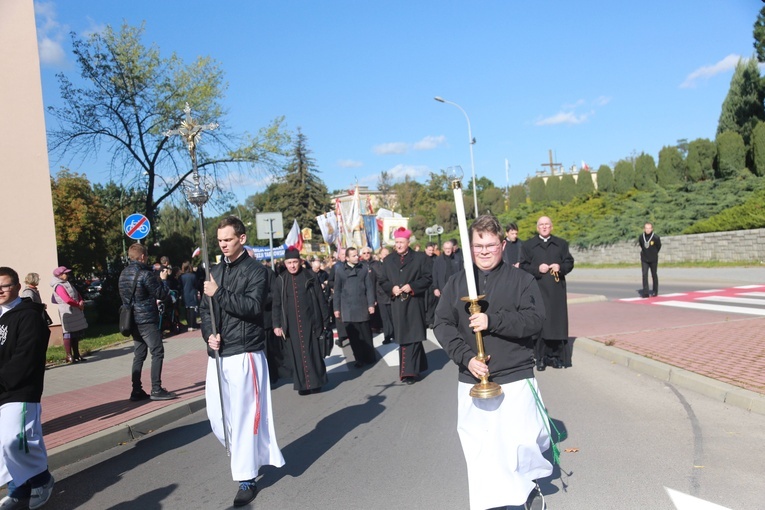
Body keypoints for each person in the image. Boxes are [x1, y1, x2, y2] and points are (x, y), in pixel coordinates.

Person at [433, 216, 551, 510]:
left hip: (515, 373)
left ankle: (526, 489)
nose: (484, 251)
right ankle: (491, 502)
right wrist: (466, 358)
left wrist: (492, 321)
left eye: (490, 245)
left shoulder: (522, 280)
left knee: (522, 441)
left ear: (502, 244)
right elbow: (442, 324)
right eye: (477, 246)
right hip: (473, 378)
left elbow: (535, 320)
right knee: (482, 448)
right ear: (469, 247)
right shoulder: (456, 282)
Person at [200, 216, 284, 506]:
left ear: (242, 239)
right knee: (218, 417)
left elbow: (251, 307)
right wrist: (209, 335)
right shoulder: (214, 271)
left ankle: (246, 477)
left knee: (245, 417)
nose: (223, 244)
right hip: (219, 354)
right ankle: (244, 457)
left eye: (228, 239)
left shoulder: (257, 272)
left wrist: (219, 293)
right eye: (220, 240)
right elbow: (205, 310)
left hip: (246, 352)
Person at [0, 267, 56, 509]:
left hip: (21, 389)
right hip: (3, 389)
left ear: (16, 286)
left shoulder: (29, 315)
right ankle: (19, 486)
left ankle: (42, 480)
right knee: (3, 444)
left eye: (4, 286)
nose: (0, 291)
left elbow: (26, 358)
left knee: (17, 440)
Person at [119, 244, 177, 401]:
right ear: (143, 256)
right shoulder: (145, 274)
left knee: (139, 354)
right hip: (146, 319)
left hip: (132, 320)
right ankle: (156, 389)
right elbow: (161, 294)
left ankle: (136, 390)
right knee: (157, 351)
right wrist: (164, 281)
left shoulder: (123, 274)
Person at [377, 227, 432, 384]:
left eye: (402, 242)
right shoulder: (388, 260)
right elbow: (382, 280)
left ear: (408, 242)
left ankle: (407, 373)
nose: (399, 245)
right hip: (398, 304)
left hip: (414, 303)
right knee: (405, 336)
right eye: (397, 242)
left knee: (412, 336)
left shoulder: (420, 258)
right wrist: (391, 288)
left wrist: (412, 286)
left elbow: (428, 278)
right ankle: (418, 366)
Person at [520, 216, 575, 371]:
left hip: (556, 291)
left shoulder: (561, 244)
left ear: (551, 227)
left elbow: (569, 263)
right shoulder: (528, 245)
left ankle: (556, 357)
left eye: (547, 225)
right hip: (537, 290)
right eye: (541, 225)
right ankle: (541, 358)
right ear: (537, 228)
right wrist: (538, 268)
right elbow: (523, 266)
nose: (544, 227)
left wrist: (560, 267)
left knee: (556, 325)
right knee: (541, 325)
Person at [272, 248, 330, 395]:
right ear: (285, 263)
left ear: (300, 262)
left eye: (294, 262)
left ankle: (316, 382)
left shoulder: (310, 276)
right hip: (291, 325)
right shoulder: (281, 280)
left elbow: (320, 299)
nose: (292, 266)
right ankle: (303, 386)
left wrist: (325, 320)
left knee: (313, 353)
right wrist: (277, 325)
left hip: (310, 321)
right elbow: (276, 304)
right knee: (297, 355)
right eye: (289, 263)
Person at [333, 247, 377, 368]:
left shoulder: (363, 269)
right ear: (347, 258)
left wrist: (371, 304)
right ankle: (359, 359)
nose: (357, 257)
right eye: (353, 256)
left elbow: (369, 288)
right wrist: (336, 308)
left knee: (366, 335)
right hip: (348, 308)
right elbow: (337, 291)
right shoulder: (340, 271)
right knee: (354, 337)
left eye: (357, 255)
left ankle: (370, 356)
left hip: (362, 306)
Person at [50, 266, 88, 363]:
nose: (67, 275)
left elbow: (77, 293)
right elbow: (66, 299)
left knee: (75, 332)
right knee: (68, 333)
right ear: (59, 275)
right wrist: (77, 305)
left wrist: (81, 301)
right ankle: (69, 355)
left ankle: (76, 354)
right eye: (65, 273)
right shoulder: (59, 286)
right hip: (67, 311)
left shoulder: (67, 283)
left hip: (74, 310)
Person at [370, 247, 394, 345]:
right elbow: (372, 282)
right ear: (380, 255)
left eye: (387, 253)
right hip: (381, 295)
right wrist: (373, 298)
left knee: (393, 316)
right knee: (385, 317)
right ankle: (387, 335)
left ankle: (395, 334)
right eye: (384, 254)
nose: (385, 255)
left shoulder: (393, 264)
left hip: (392, 294)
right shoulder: (375, 266)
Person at [327, 248, 348, 348]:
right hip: (339, 296)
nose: (344, 256)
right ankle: (341, 337)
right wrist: (336, 286)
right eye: (342, 254)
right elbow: (330, 281)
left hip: (350, 296)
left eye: (345, 254)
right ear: (339, 256)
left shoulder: (352, 265)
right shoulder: (336, 267)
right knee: (339, 317)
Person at [639, 222, 661, 298]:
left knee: (654, 274)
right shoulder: (641, 237)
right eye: (646, 228)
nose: (648, 230)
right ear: (644, 229)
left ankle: (655, 291)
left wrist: (654, 253)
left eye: (649, 228)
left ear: (652, 229)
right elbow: (642, 245)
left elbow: (658, 246)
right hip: (644, 259)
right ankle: (645, 292)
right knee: (644, 275)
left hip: (653, 259)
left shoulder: (655, 237)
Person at [179, 261, 200, 330]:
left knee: (187, 310)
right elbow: (196, 285)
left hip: (185, 294)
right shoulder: (193, 276)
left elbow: (180, 286)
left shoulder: (181, 277)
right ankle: (192, 325)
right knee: (192, 310)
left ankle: (189, 325)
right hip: (192, 293)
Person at [424, 242, 438, 328]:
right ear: (425, 249)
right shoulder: (421, 258)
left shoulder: (436, 258)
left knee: (432, 302)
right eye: (429, 250)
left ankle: (430, 320)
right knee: (424, 303)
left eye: (432, 250)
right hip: (424, 283)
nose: (431, 252)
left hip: (432, 283)